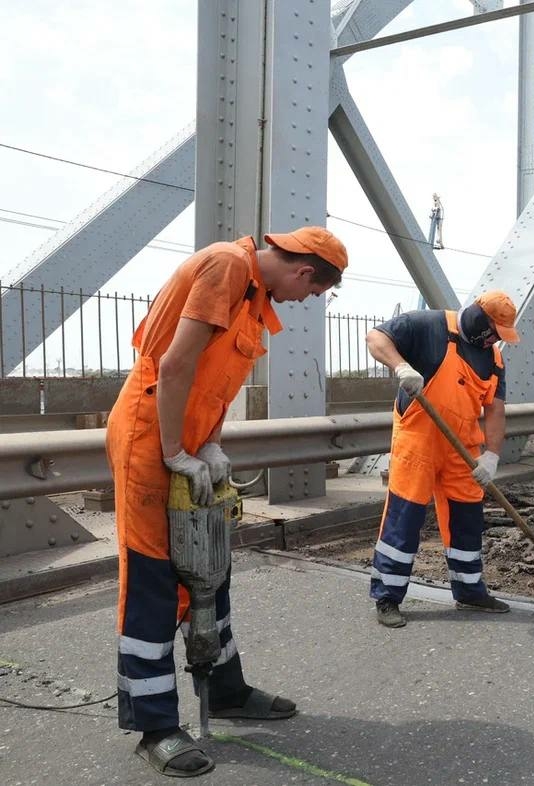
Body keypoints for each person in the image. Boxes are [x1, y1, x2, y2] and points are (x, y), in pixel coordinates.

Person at [105, 227, 348, 777]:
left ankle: (226, 691)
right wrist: (173, 451)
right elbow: (172, 367)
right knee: (152, 576)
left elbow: (212, 379)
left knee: (209, 565)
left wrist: (209, 440)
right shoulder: (227, 267)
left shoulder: (253, 298)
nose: (302, 301)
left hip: (186, 439)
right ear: (304, 272)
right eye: (309, 292)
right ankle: (156, 727)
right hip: (150, 436)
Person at [366, 290, 519, 628]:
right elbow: (375, 337)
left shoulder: (493, 358)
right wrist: (401, 366)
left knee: (467, 519)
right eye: (494, 332)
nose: (495, 340)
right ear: (480, 320)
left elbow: (494, 409)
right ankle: (387, 596)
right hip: (418, 440)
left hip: (463, 448)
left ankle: (469, 591)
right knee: (405, 517)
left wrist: (492, 456)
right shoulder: (428, 325)